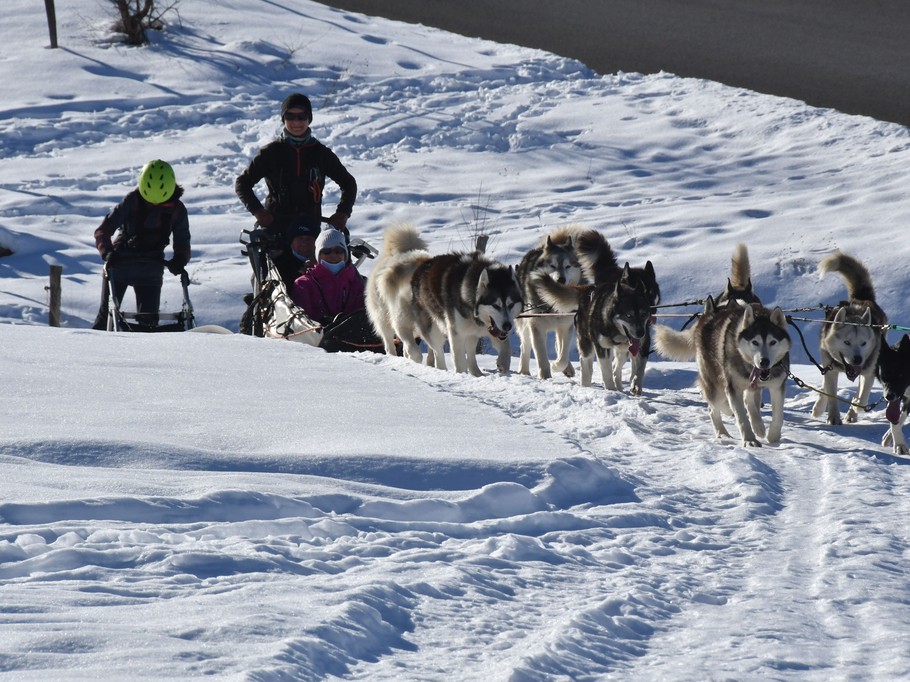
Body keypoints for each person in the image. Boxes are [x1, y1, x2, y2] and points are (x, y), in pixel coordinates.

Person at [235, 93, 356, 242]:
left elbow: (348, 183)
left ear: (309, 118)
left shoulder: (321, 153)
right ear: (283, 119)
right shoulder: (271, 153)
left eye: (302, 116)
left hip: (309, 230)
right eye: (290, 116)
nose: (296, 121)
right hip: (275, 229)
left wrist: (342, 213)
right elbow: (243, 183)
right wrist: (259, 212)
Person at [92, 159, 191, 330]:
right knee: (106, 318)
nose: (153, 205)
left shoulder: (177, 210)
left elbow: (182, 241)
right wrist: (107, 253)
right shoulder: (132, 200)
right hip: (120, 263)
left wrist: (179, 261)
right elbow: (103, 230)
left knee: (149, 324)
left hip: (151, 267)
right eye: (149, 201)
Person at [291, 228, 365, 323]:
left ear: (345, 254)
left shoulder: (357, 282)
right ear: (318, 255)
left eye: (338, 250)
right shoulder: (303, 285)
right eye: (326, 251)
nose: (333, 255)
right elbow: (303, 323)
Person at [273, 212, 321, 289]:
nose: (304, 242)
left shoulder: (325, 259)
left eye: (308, 238)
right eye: (300, 238)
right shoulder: (279, 263)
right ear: (291, 242)